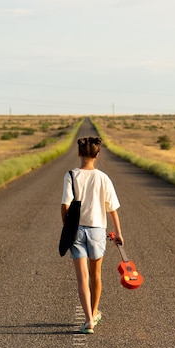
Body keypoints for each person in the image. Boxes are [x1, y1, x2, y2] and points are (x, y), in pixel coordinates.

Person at [61, 136, 123, 334]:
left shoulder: (71, 175)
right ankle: (94, 312)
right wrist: (119, 233)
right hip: (97, 230)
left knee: (82, 278)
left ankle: (88, 320)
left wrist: (67, 226)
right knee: (96, 275)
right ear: (97, 155)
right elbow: (112, 208)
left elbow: (65, 205)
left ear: (79, 153)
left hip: (76, 230)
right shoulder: (103, 178)